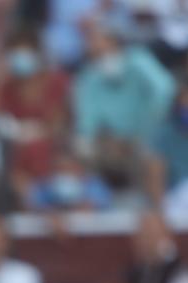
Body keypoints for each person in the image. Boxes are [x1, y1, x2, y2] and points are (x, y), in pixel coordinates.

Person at [72, 20, 175, 190]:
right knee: (84, 152)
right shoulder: (89, 75)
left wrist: (142, 130)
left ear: (112, 41)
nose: (92, 45)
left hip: (146, 136)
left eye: (96, 40)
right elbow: (87, 118)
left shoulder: (138, 60)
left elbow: (164, 90)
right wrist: (95, 139)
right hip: (110, 141)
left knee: (153, 154)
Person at [0, 31, 68, 200]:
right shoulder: (5, 85)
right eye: (16, 55)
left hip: (47, 156)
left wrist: (34, 132)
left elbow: (58, 125)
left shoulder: (55, 82)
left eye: (26, 53)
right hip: (10, 163)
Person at [26, 148, 114, 211]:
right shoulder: (44, 185)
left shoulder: (94, 184)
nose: (64, 173)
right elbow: (34, 205)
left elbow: (103, 203)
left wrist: (84, 205)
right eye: (59, 169)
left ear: (78, 168)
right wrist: (51, 212)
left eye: (68, 168)